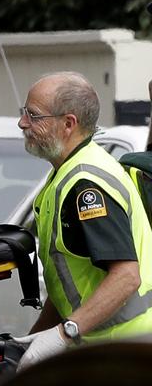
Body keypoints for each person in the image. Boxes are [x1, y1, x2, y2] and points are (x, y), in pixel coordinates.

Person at [13, 71, 152, 370]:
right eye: (23, 113)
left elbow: (127, 276)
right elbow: (72, 283)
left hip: (128, 352)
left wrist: (65, 333)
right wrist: (36, 339)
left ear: (68, 124)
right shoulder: (66, 173)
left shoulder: (86, 184)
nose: (22, 123)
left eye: (33, 115)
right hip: (108, 349)